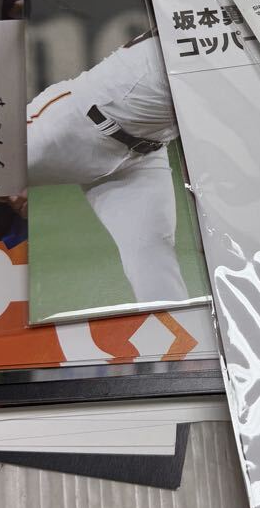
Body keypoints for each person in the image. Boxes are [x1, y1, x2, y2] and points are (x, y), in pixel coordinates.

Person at [20, 33, 188, 305]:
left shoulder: (221, 40)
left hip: (143, 156)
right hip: (72, 126)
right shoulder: (193, 43)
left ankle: (177, 328)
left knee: (153, 254)